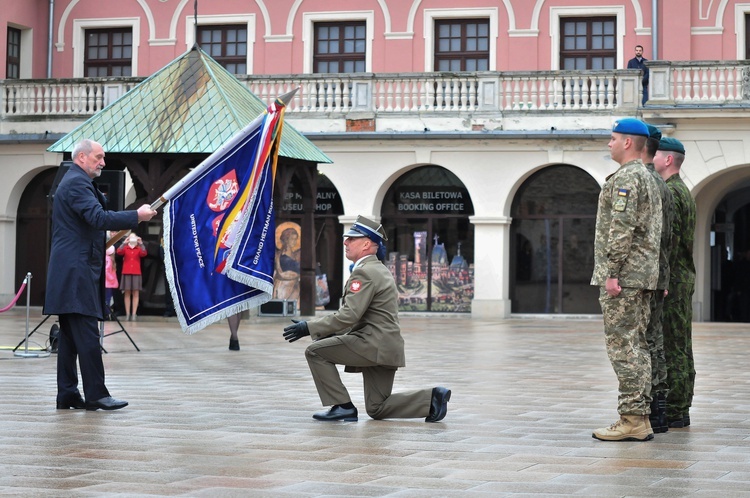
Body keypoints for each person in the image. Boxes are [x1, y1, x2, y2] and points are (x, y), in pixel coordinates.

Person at [282, 215, 451, 423]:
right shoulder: (378, 269)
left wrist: (307, 327)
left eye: (351, 238)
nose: (345, 242)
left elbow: (348, 315)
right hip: (387, 346)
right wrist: (328, 332)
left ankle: (342, 406)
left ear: (366, 244)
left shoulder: (365, 272)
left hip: (372, 344)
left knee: (315, 352)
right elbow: (360, 315)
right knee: (377, 408)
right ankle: (432, 398)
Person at [44, 138, 157, 411]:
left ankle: (68, 393)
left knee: (70, 337)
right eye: (98, 157)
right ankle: (96, 394)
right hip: (76, 272)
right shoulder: (76, 183)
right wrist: (136, 216)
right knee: (87, 336)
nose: (103, 163)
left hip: (73, 269)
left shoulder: (75, 181)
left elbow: (90, 222)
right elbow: (98, 217)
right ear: (81, 157)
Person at [590, 118, 662, 441]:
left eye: (613, 138)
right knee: (638, 346)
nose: (609, 144)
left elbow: (621, 229)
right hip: (642, 275)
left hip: (626, 277)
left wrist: (612, 272)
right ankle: (640, 416)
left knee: (623, 347)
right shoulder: (647, 177)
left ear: (628, 143)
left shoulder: (627, 179)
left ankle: (631, 417)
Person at [654, 137, 696, 428]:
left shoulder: (672, 192)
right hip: (682, 277)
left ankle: (675, 407)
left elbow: (670, 241)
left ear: (668, 160)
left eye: (655, 154)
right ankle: (681, 406)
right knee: (681, 342)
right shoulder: (683, 190)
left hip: (674, 279)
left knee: (672, 344)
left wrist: (663, 278)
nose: (651, 157)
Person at [641, 124, 674, 434]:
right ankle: (659, 409)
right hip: (657, 275)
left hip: (642, 277)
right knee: (655, 343)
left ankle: (646, 410)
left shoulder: (645, 182)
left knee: (641, 345)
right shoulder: (663, 185)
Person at [117, 233, 147, 321]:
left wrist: (141, 243)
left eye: (134, 238)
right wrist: (124, 243)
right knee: (127, 293)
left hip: (136, 273)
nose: (132, 239)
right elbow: (119, 251)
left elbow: (144, 253)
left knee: (135, 293)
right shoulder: (125, 247)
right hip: (126, 272)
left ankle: (134, 313)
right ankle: (127, 313)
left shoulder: (139, 248)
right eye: (131, 238)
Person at [104, 232, 119, 320]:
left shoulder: (107, 260)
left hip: (107, 283)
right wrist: (111, 279)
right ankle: (107, 313)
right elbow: (107, 271)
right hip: (108, 283)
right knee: (107, 299)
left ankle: (107, 313)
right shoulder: (109, 260)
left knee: (107, 299)